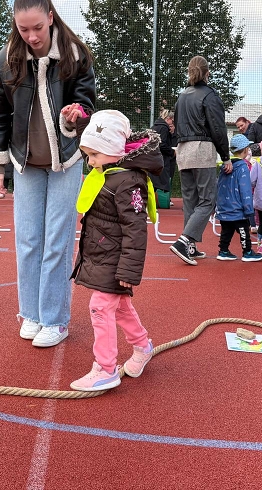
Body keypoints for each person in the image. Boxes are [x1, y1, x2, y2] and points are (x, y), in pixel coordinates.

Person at [0, 0, 96, 348]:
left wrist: (75, 116)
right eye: (23, 29)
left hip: (66, 159)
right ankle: (30, 314)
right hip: (25, 162)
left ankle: (55, 319)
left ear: (50, 17)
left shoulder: (75, 55)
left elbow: (86, 105)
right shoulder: (5, 62)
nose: (31, 36)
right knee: (28, 240)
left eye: (37, 27)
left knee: (57, 241)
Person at [68, 110, 161, 391]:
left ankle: (106, 368)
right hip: (103, 253)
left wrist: (129, 270)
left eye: (94, 155)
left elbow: (135, 228)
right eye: (88, 155)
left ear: (111, 151)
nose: (90, 161)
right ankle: (143, 346)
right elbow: (100, 131)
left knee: (100, 306)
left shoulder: (128, 181)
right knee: (120, 307)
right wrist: (81, 120)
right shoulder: (107, 172)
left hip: (115, 258)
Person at [170, 55, 232, 266]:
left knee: (190, 201)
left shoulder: (182, 96)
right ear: (207, 73)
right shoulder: (210, 96)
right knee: (207, 201)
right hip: (202, 148)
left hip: (183, 150)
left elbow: (177, 125)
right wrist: (225, 156)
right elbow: (218, 128)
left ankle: (190, 247)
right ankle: (184, 242)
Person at [215, 134, 262, 262]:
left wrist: (218, 205)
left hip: (224, 207)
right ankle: (247, 251)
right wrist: (248, 209)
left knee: (226, 230)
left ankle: (223, 250)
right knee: (243, 231)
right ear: (246, 150)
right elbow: (245, 189)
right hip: (238, 208)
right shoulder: (243, 167)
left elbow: (219, 186)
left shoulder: (224, 167)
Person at [150, 108, 176, 198]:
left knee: (153, 184)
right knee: (160, 183)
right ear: (168, 118)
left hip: (152, 158)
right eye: (172, 120)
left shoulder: (154, 126)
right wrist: (172, 152)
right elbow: (162, 145)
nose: (172, 123)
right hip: (162, 159)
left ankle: (151, 204)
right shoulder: (164, 128)